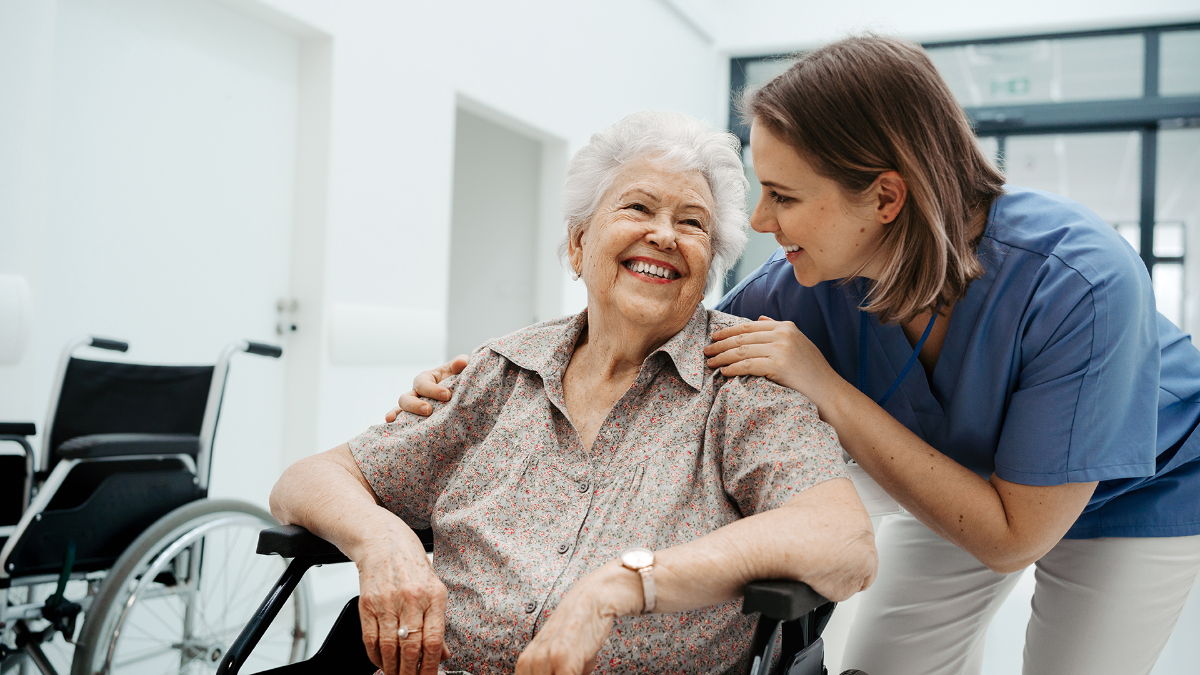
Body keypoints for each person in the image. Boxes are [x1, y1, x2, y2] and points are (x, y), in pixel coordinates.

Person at [397, 37, 1200, 675]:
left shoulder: (1081, 283)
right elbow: (662, 336)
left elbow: (1011, 537)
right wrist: (489, 376)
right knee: (883, 664)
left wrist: (826, 386)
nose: (760, 217)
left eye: (784, 194)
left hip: (1135, 492)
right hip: (958, 485)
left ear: (885, 197)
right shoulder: (804, 284)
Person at [273, 111, 877, 675]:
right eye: (638, 207)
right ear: (577, 245)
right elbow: (306, 481)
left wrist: (622, 584)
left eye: (692, 222)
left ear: (709, 264)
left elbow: (842, 539)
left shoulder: (741, 381)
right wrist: (382, 540)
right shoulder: (501, 371)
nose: (664, 235)